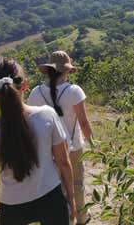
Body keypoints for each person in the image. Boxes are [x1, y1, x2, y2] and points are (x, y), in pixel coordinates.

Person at [0, 57, 75, 225]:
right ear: (24, 85)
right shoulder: (47, 116)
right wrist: (71, 201)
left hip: (12, 207)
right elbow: (63, 162)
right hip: (51, 199)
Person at [28, 51, 93, 225]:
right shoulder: (74, 91)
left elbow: (30, 122)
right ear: (66, 71)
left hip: (46, 150)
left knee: (53, 188)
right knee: (76, 184)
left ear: (49, 70)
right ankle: (80, 218)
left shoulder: (36, 93)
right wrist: (93, 145)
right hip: (73, 148)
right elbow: (84, 123)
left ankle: (61, 219)